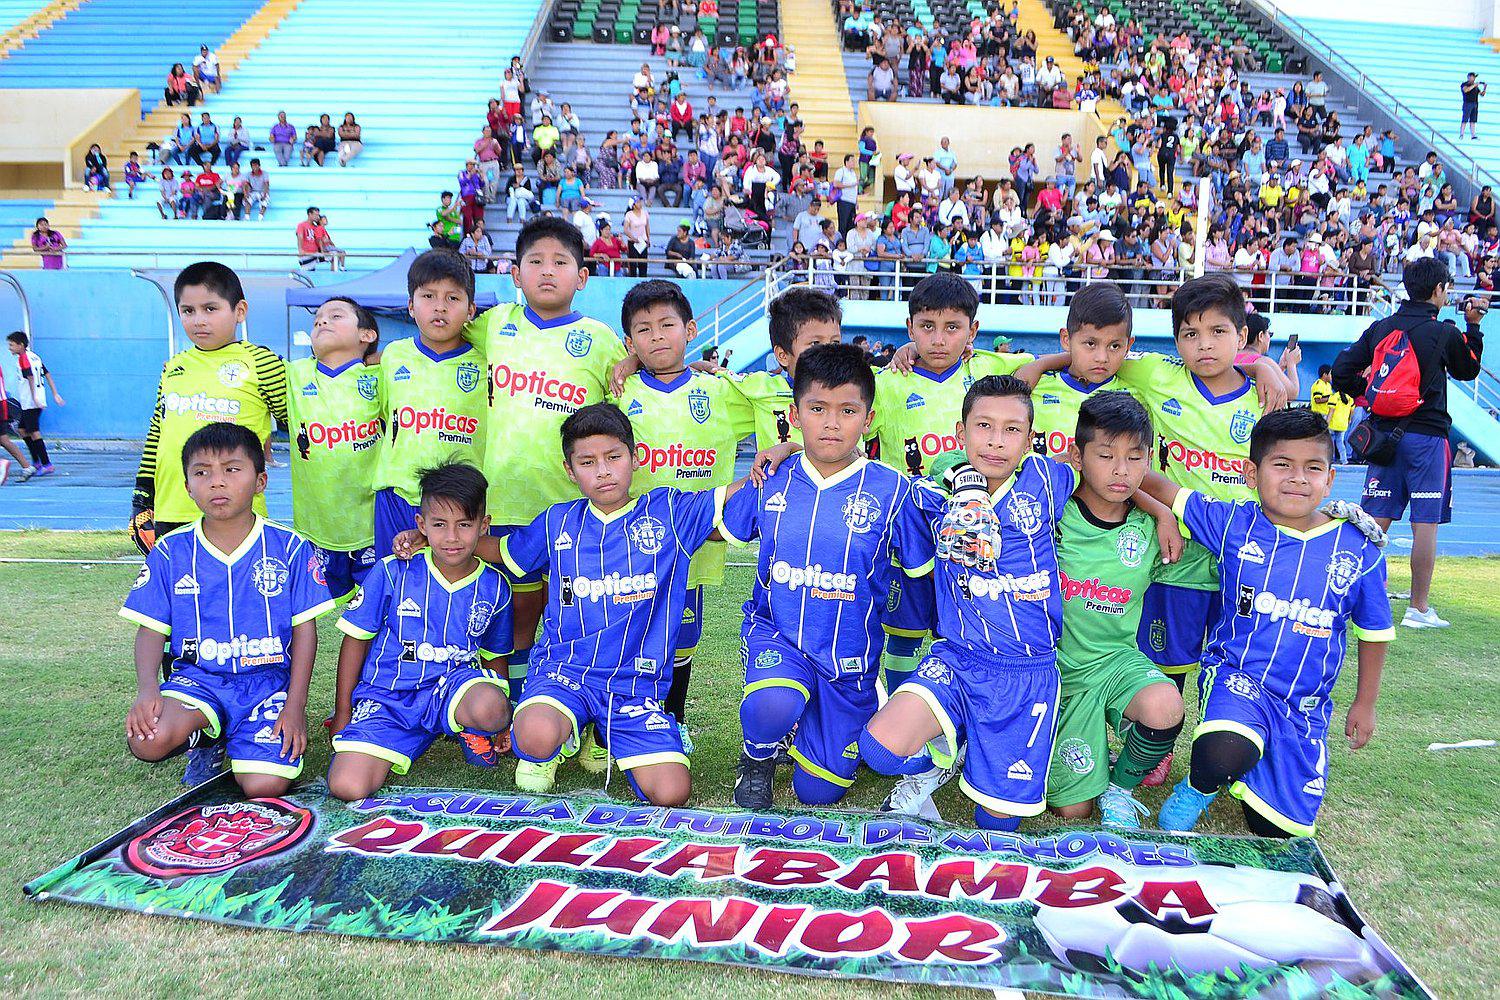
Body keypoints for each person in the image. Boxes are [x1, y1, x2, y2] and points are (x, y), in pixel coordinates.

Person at [412, 403, 763, 806]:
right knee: (536, 735)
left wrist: (780, 453)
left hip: (635, 685)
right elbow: (501, 550)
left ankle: (605, 734)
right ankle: (561, 738)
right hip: (564, 674)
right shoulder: (557, 521)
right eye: (588, 461)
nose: (603, 470)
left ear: (635, 457)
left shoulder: (668, 512)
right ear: (570, 470)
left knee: (672, 793)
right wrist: (430, 538)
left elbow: (735, 492)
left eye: (614, 457)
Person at [1148, 409, 1393, 837]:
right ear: (1251, 473)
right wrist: (1158, 510)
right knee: (1223, 754)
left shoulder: (1360, 548)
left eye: (1312, 468)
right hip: (1237, 678)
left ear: (1330, 479)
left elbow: (1373, 633)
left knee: (1279, 835)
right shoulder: (1234, 524)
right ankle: (1199, 787)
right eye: (1282, 465)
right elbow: (1158, 485)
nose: (1298, 478)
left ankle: (1255, 768)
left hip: (1304, 705)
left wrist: (1365, 703)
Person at [861, 375, 1079, 830]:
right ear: (961, 434)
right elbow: (860, 472)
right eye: (983, 426)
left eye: (1012, 430)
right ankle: (938, 760)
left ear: (1030, 440)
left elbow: (1113, 472)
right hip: (958, 660)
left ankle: (971, 746)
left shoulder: (1049, 478)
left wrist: (1161, 515)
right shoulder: (933, 496)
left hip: (1026, 673)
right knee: (879, 750)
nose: (996, 442)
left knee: (995, 825)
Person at [727, 343, 935, 809]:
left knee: (817, 792)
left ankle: (831, 721)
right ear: (796, 414)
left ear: (868, 417)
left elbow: (922, 572)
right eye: (817, 409)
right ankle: (758, 756)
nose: (831, 422)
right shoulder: (770, 477)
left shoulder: (893, 489)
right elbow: (726, 525)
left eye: (847, 410)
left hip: (849, 661)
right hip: (778, 634)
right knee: (772, 703)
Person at [459, 216, 626, 749]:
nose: (547, 272)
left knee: (577, 615)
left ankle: (578, 713)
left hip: (572, 509)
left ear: (582, 276)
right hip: (504, 499)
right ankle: (512, 711)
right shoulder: (492, 324)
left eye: (560, 263)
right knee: (513, 616)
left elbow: (629, 393)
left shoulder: (599, 341)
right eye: (535, 262)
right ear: (515, 272)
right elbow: (435, 330)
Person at [121, 423, 334, 794]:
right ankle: (205, 737)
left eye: (232, 469)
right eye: (202, 472)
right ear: (187, 486)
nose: (216, 482)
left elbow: (305, 633)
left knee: (265, 786)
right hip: (198, 680)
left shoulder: (291, 549)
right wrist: (146, 690)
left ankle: (239, 735)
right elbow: (150, 629)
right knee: (147, 740)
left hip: (266, 685)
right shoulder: (171, 551)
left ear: (260, 480)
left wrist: (296, 706)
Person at [866, 274, 1029, 691]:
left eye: (953, 328)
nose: (939, 339)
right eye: (926, 327)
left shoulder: (989, 369)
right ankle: (901, 714)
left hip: (973, 532)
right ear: (909, 329)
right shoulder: (886, 384)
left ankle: (952, 719)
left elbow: (1045, 366)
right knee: (902, 637)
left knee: (959, 636)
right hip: (906, 534)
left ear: (973, 332)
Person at [612, 281, 754, 726]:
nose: (656, 336)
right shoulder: (618, 389)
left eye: (667, 325)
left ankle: (671, 721)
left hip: (695, 543)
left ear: (690, 330)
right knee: (627, 634)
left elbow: (789, 397)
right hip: (631, 543)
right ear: (629, 341)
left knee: (681, 638)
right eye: (643, 329)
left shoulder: (723, 391)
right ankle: (619, 720)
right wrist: (629, 362)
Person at [327, 462, 515, 799]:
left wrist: (502, 721)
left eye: (464, 524)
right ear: (421, 525)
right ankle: (402, 733)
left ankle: (471, 728)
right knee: (347, 786)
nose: (452, 537)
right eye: (440, 524)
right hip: (388, 696)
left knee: (490, 706)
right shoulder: (392, 571)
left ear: (483, 526)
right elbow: (356, 639)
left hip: (451, 690)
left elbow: (494, 656)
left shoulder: (496, 586)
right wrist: (343, 711)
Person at [1044, 392, 1185, 828]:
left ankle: (1119, 787)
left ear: (1149, 461)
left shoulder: (1155, 530)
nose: (1121, 471)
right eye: (1105, 455)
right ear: (1077, 455)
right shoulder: (1048, 511)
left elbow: (1240, 525)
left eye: (1134, 457)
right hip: (1050, 671)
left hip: (1114, 664)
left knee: (1166, 705)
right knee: (1071, 811)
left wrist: (1161, 511)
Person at [1332, 257, 1486, 629]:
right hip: (1428, 438)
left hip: (1384, 437)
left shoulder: (1381, 327)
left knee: (1374, 521)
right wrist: (1473, 326)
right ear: (1438, 290)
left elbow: (1341, 372)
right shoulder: (1443, 332)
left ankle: (1349, 597)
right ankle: (1418, 609)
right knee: (1425, 524)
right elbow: (1468, 369)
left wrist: (1367, 397)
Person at [130, 262, 287, 557]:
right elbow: (157, 433)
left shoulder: (261, 362)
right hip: (172, 509)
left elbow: (298, 420)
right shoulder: (173, 366)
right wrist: (142, 495)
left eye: (210, 308)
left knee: (240, 596)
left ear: (239, 311)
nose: (198, 320)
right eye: (188, 311)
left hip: (238, 511)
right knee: (181, 598)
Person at [369, 250, 487, 561]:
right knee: (397, 587)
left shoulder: (487, 360)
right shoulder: (394, 355)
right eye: (428, 295)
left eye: (453, 298)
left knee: (452, 590)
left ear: (471, 309)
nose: (439, 307)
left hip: (461, 501)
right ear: (410, 305)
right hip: (397, 496)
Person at [285, 297, 382, 602]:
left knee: (376, 615)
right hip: (316, 531)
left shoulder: (382, 378)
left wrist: (384, 357)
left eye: (335, 316)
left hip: (370, 528)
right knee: (304, 612)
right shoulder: (294, 375)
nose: (322, 322)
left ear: (366, 335)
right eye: (317, 321)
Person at [5, 331, 62, 477]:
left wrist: (34, 397)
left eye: (11, 345)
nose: (9, 348)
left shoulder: (23, 358)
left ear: (21, 345)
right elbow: (47, 374)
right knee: (22, 429)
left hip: (31, 401)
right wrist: (55, 393)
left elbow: (30, 377)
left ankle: (46, 464)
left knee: (34, 432)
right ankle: (36, 461)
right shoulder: (35, 356)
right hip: (34, 399)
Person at [1461, 72, 1486, 140]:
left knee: (1473, 120)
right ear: (1469, 77)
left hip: (1475, 104)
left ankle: (1473, 135)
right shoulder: (1464, 84)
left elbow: (1481, 94)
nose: (1474, 78)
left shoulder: (1475, 86)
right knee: (1465, 119)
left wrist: (1484, 88)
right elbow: (1466, 90)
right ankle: (1461, 134)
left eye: (1474, 77)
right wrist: (1474, 85)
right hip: (1467, 104)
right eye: (1473, 77)